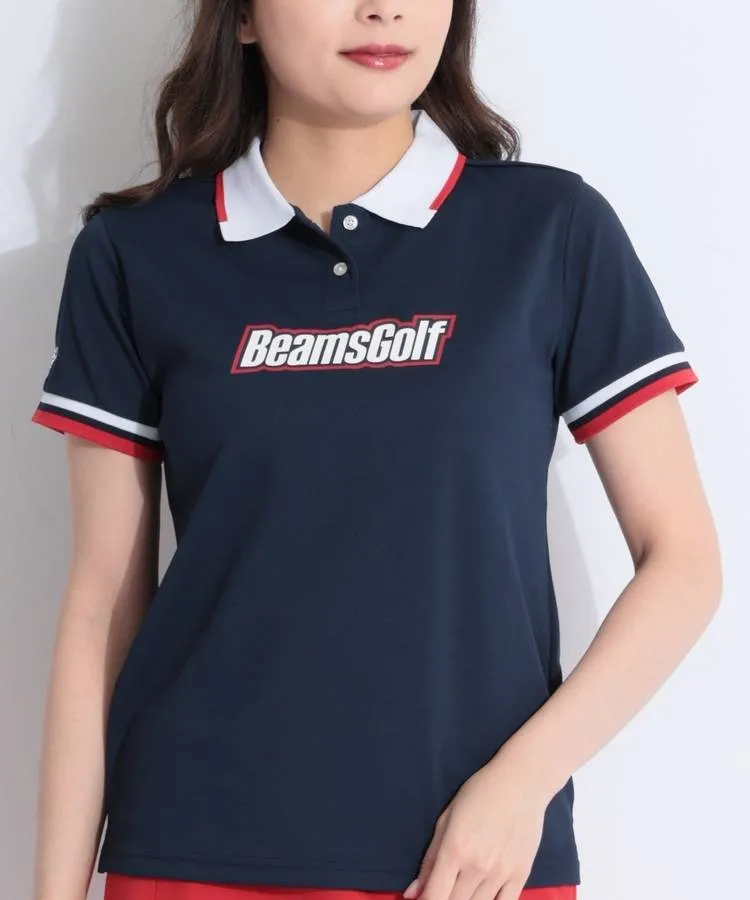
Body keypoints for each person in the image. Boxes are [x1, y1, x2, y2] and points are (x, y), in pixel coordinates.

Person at [29, 2, 723, 900]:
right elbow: (100, 612)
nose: (383, 7)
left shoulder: (550, 231)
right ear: (241, 17)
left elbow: (683, 562)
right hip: (193, 853)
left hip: (472, 863)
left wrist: (522, 785)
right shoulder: (136, 256)